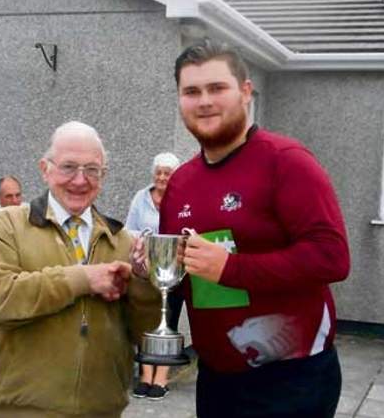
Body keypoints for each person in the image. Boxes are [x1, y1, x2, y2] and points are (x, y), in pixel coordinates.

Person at [136, 39, 351, 418]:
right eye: (191, 91)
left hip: (291, 378)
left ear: (246, 92)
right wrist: (150, 269)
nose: (204, 101)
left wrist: (230, 268)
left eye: (217, 88)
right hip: (216, 378)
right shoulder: (181, 182)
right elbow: (184, 276)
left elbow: (332, 257)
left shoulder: (287, 161)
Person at [0, 121, 161, 418]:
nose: (80, 180)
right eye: (68, 167)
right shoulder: (5, 226)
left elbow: (145, 334)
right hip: (20, 411)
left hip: (101, 410)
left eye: (92, 170)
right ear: (45, 169)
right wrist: (83, 278)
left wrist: (143, 284)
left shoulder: (123, 240)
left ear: (104, 175)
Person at [126, 152, 181, 401]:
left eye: (167, 173)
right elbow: (130, 229)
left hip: (174, 269)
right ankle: (146, 374)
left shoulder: (181, 197)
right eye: (158, 172)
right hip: (146, 269)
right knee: (145, 319)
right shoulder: (141, 197)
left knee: (168, 319)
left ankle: (162, 377)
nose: (161, 177)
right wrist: (142, 247)